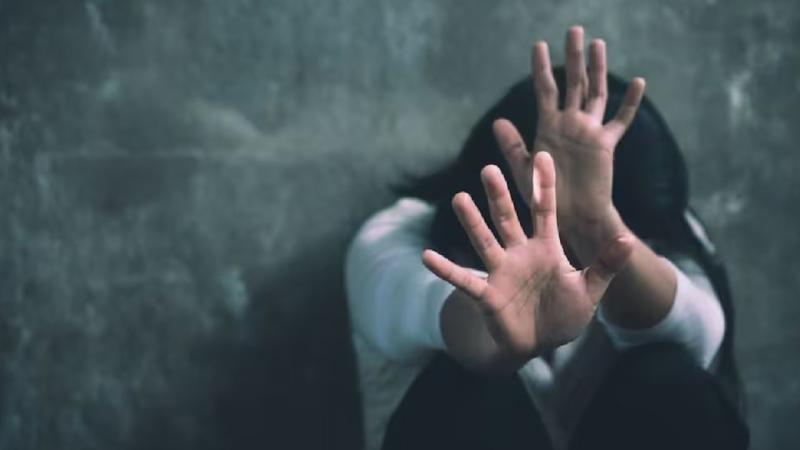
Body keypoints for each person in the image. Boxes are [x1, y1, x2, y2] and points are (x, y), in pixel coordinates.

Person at [346, 26, 749, 450]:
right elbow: (425, 303)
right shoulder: (394, 237)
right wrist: (499, 328)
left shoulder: (664, 227)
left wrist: (593, 222)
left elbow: (699, 335)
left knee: (671, 379)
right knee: (464, 384)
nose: (569, 263)